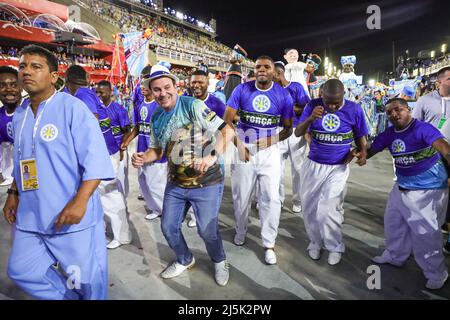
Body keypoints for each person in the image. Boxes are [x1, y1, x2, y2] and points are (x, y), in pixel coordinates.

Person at [3, 45, 114, 299]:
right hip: (33, 215)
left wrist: (81, 201)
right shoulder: (20, 114)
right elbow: (24, 159)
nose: (26, 72)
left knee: (88, 283)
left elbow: (96, 158)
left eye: (36, 66)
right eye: (22, 66)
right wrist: (13, 192)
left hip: (71, 217)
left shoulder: (72, 108)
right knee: (21, 270)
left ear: (54, 76)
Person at [131, 64, 236, 286]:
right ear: (151, 91)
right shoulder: (156, 116)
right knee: (168, 227)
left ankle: (219, 260)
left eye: (167, 87)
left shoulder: (193, 106)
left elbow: (227, 131)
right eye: (157, 89)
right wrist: (144, 157)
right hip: (176, 184)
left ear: (176, 86)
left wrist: (210, 157)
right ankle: (185, 258)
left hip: (206, 182)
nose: (163, 93)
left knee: (207, 231)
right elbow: (158, 150)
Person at [363, 98, 450, 290]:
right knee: (394, 222)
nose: (394, 114)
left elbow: (445, 148)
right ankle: (395, 255)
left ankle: (437, 272)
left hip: (428, 188)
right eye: (389, 112)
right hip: (402, 186)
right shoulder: (389, 134)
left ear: (408, 109)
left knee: (425, 234)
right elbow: (370, 151)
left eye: (398, 109)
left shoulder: (423, 128)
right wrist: (358, 154)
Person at [224, 55, 293, 265]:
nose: (261, 69)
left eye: (266, 66)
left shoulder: (283, 95)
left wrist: (272, 139)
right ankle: (241, 230)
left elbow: (288, 128)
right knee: (241, 195)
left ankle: (269, 243)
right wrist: (239, 145)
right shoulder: (241, 90)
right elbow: (226, 121)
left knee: (271, 198)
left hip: (270, 150)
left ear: (274, 71)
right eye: (258, 67)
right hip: (244, 144)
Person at [294, 79, 368, 265]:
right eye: (328, 102)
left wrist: (362, 153)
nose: (333, 106)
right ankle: (315, 242)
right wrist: (311, 118)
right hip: (313, 165)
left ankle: (334, 245)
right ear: (321, 95)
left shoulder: (354, 109)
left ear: (344, 94)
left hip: (338, 167)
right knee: (310, 209)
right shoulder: (313, 105)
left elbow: (361, 137)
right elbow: (297, 133)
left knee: (328, 209)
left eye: (336, 101)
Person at [65, 65, 131, 250]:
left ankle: (122, 235)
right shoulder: (87, 93)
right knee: (100, 196)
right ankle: (103, 231)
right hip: (104, 150)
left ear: (68, 79)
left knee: (109, 195)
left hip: (100, 153)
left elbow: (91, 122)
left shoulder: (82, 95)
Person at [122, 67, 167, 222]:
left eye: (144, 84)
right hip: (141, 151)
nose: (141, 86)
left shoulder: (160, 106)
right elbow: (138, 127)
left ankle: (166, 212)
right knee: (144, 183)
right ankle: (155, 208)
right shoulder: (140, 105)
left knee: (156, 185)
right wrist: (127, 140)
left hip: (156, 154)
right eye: (140, 84)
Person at [413, 67, 450, 251]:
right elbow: (414, 127)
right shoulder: (425, 101)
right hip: (430, 155)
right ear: (440, 81)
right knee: (430, 195)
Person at [273, 61, 310, 213]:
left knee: (298, 168)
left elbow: (307, 107)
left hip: (295, 131)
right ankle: (278, 200)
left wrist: (287, 108)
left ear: (278, 73)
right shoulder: (272, 90)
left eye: (271, 74)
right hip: (278, 130)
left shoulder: (295, 87)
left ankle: (298, 200)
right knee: (276, 168)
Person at [96, 80, 132, 198]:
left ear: (110, 92)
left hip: (118, 149)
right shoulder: (96, 110)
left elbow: (127, 131)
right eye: (97, 92)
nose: (99, 95)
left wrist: (122, 149)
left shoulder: (119, 109)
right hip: (103, 151)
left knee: (121, 180)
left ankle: (123, 205)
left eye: (102, 92)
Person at [0, 66, 22, 186]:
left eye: (14, 85)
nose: (8, 89)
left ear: (21, 87)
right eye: (2, 85)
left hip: (30, 182)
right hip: (6, 183)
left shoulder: (31, 113)